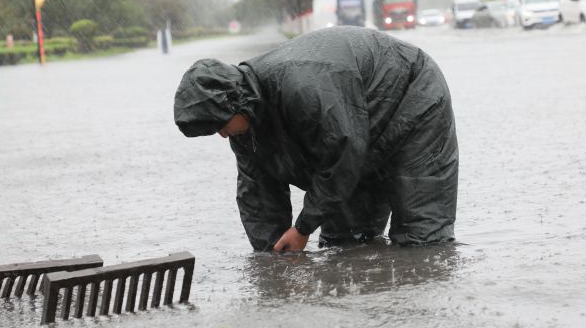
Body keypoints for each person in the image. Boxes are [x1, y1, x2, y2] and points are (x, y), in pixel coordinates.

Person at [173, 26, 458, 252]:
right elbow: (257, 198)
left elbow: (342, 156)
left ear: (234, 101)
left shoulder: (301, 88)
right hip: (357, 132)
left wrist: (303, 228)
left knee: (421, 239)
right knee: (345, 245)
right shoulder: (245, 128)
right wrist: (274, 255)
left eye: (220, 125)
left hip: (412, 99)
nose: (222, 134)